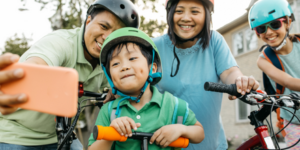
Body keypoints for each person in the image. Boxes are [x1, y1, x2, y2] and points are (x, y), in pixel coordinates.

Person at [0, 0, 139, 149]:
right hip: (16, 133)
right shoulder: (61, 42)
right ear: (88, 20)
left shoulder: (110, 61)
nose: (107, 37)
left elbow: (130, 86)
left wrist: (119, 91)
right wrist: (24, 77)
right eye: (104, 26)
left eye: (116, 34)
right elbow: (36, 65)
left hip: (60, 135)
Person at [152, 0, 260, 149]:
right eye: (179, 11)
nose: (186, 17)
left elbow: (230, 72)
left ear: (207, 16)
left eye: (195, 11)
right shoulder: (153, 47)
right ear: (169, 14)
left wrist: (240, 81)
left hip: (211, 144)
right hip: (168, 145)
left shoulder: (214, 41)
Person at [87, 27, 205, 150]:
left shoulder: (174, 105)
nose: (124, 67)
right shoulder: (109, 111)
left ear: (152, 68)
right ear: (110, 76)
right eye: (115, 64)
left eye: (132, 58)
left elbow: (199, 133)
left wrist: (181, 129)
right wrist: (111, 132)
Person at [249, 0, 300, 149]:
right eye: (261, 28)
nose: (269, 32)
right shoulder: (264, 60)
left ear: (288, 22)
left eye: (275, 24)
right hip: (294, 122)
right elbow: (289, 82)